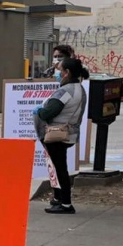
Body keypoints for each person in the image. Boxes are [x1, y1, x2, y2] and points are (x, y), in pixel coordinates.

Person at [35, 57, 89, 215]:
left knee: (59, 169)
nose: (56, 72)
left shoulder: (65, 91)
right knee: (60, 167)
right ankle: (59, 199)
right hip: (68, 133)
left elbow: (48, 112)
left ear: (67, 73)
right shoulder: (79, 88)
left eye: (59, 69)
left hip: (57, 134)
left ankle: (65, 203)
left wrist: (39, 110)